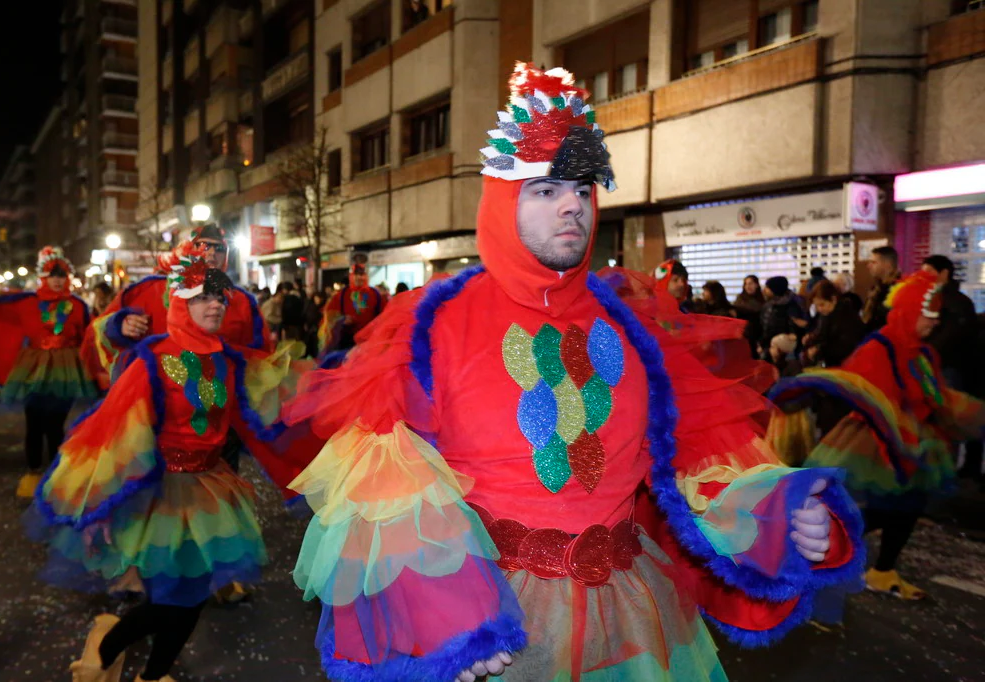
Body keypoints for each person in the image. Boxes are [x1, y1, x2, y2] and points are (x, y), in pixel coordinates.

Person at [282, 62, 861, 682]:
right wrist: (445, 623)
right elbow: (383, 484)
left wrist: (780, 513)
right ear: (505, 199)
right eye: (545, 189)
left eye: (583, 190)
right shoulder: (433, 323)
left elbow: (698, 456)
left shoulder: (632, 325)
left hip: (630, 612)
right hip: (498, 623)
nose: (572, 207)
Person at [27, 249, 308, 682]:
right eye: (201, 297)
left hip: (212, 488)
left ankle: (153, 675)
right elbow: (114, 429)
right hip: (162, 495)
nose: (215, 304)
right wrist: (107, 495)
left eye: (219, 296)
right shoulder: (153, 358)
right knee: (171, 599)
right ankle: (108, 647)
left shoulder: (228, 359)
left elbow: (278, 395)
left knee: (192, 596)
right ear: (179, 303)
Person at [771, 270, 985, 600]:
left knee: (907, 507)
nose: (933, 323)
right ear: (909, 313)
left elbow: (937, 397)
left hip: (917, 445)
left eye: (936, 317)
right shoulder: (879, 347)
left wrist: (967, 414)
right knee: (880, 510)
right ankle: (802, 554)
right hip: (876, 444)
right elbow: (858, 390)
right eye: (927, 316)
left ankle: (882, 569)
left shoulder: (923, 353)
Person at [0, 246, 98, 498]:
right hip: (33, 368)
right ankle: (34, 472)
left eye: (62, 275)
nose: (57, 280)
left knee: (56, 425)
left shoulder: (78, 305)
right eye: (52, 275)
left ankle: (57, 475)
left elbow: (90, 338)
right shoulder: (27, 301)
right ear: (43, 277)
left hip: (67, 370)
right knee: (34, 423)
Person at [81, 225, 271, 389]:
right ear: (188, 248)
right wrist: (119, 325)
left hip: (217, 402)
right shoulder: (146, 291)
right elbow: (95, 330)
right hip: (155, 399)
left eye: (219, 248)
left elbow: (260, 357)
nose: (211, 253)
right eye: (202, 245)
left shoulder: (241, 301)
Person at [921, 255, 978, 392]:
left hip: (948, 366)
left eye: (929, 272)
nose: (924, 276)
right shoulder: (931, 298)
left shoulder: (957, 302)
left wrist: (926, 352)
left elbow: (951, 336)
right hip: (929, 363)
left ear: (944, 273)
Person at [316, 258, 384, 356]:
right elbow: (329, 316)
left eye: (362, 275)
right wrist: (342, 319)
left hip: (369, 341)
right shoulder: (342, 294)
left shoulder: (375, 294)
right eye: (356, 275)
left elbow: (384, 315)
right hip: (347, 341)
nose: (359, 278)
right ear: (351, 276)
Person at [803, 280, 865, 369]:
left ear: (833, 299)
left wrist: (819, 350)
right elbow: (821, 335)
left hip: (847, 365)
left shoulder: (847, 316)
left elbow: (846, 346)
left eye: (822, 304)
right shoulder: (826, 314)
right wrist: (810, 339)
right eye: (816, 306)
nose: (819, 309)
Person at [760, 276, 809, 361]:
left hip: (785, 348)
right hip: (769, 347)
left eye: (767, 288)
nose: (764, 290)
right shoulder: (768, 305)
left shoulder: (792, 305)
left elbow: (794, 328)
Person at [862, 245, 901, 333]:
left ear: (887, 264)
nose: (868, 266)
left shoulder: (898, 288)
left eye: (874, 262)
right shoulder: (876, 288)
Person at [733, 274, 765, 357]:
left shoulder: (763, 300)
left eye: (750, 283)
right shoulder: (740, 299)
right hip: (742, 331)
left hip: (758, 332)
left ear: (756, 285)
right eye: (746, 284)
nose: (748, 286)